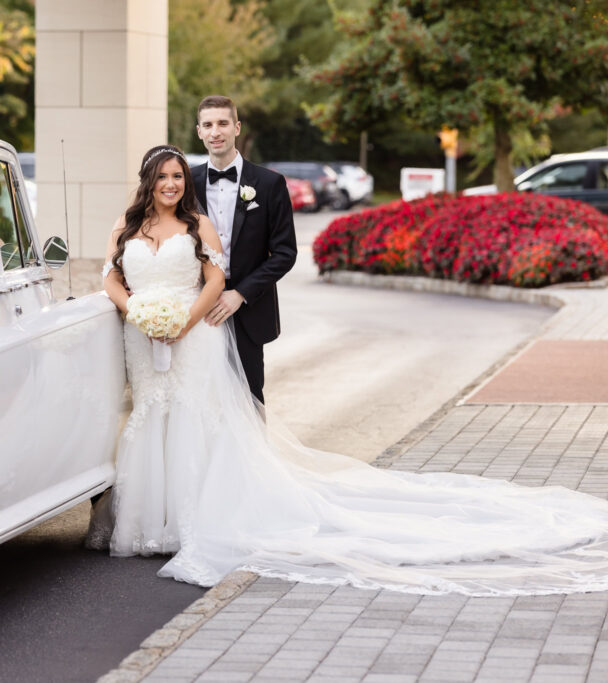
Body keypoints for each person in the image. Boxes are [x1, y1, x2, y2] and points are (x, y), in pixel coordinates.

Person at [87, 142, 608, 596]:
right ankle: (142, 524)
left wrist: (182, 323)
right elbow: (110, 277)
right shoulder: (127, 225)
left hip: (191, 335)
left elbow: (214, 281)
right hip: (143, 335)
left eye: (179, 176)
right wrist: (136, 312)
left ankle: (186, 523)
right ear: (148, 183)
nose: (173, 184)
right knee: (150, 416)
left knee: (193, 420)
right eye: (164, 178)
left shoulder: (197, 224)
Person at [189, 95, 297, 403]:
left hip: (248, 309)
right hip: (198, 307)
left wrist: (241, 293)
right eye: (208, 125)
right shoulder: (185, 183)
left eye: (223, 123)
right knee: (200, 398)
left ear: (236, 127)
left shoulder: (269, 183)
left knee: (249, 399)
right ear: (199, 131)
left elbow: (285, 252)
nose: (215, 132)